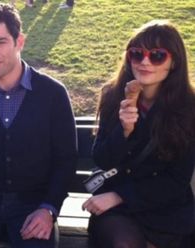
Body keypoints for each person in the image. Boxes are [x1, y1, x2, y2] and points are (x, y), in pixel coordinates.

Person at [0, 2, 77, 248]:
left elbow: (66, 160)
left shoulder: (52, 93)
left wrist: (49, 208)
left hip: (33, 204)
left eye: (0, 42)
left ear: (19, 41)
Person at [82, 20, 195, 248]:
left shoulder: (188, 107)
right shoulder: (113, 96)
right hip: (116, 211)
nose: (145, 62)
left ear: (174, 62)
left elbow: (177, 181)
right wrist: (123, 132)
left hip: (164, 208)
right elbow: (102, 159)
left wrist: (119, 196)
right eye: (136, 54)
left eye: (157, 56)